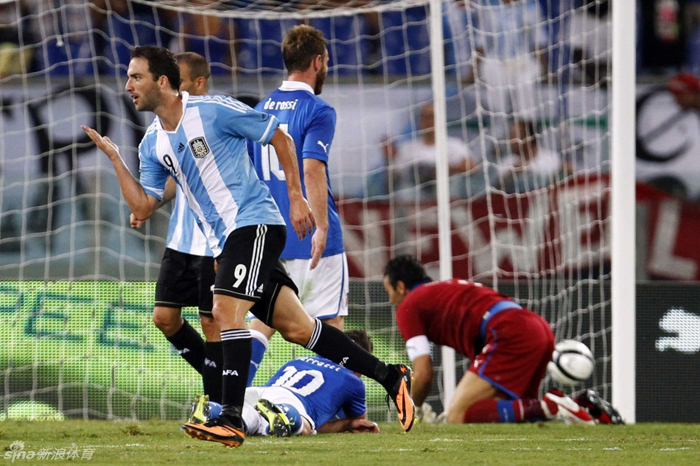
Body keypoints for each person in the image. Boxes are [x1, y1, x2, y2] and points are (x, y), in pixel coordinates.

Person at [82, 45, 414, 448]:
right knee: (299, 328)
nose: (128, 85)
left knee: (224, 311)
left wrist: (295, 196)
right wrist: (115, 159)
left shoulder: (212, 110)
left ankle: (230, 416)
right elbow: (143, 205)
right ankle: (391, 376)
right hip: (225, 240)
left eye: (136, 77)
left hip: (255, 223)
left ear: (163, 82)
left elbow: (278, 135)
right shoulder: (152, 143)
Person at [247, 24, 347, 386]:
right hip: (313, 236)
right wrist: (321, 226)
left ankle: (233, 399)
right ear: (318, 62)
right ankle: (340, 409)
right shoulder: (318, 110)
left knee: (263, 322)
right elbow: (311, 168)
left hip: (273, 237)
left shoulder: (261, 109)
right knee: (330, 324)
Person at [382, 254, 594, 425]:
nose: (391, 301)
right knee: (506, 410)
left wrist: (411, 410)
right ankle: (585, 407)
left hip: (509, 333)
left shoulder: (409, 305)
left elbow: (424, 374)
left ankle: (554, 407)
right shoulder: (444, 289)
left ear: (401, 287)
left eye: (389, 292)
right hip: (535, 327)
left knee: (457, 415)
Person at [129, 52, 222, 403]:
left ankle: (218, 401)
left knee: (212, 321)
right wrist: (150, 204)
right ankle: (225, 384)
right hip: (181, 239)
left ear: (199, 83)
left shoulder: (213, 118)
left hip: (213, 241)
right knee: (165, 317)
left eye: (180, 82)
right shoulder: (166, 129)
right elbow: (175, 177)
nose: (174, 89)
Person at [192, 329, 380, 437]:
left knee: (243, 422)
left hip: (259, 392)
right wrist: (348, 425)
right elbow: (359, 421)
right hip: (292, 402)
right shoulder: (354, 380)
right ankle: (288, 417)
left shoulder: (299, 360)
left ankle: (213, 412)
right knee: (304, 427)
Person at [386, 102, 476, 199]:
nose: (428, 121)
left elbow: (471, 167)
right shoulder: (407, 148)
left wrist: (441, 170)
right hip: (416, 199)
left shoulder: (454, 145)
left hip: (447, 197)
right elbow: (395, 176)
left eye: (432, 116)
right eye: (424, 117)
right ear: (419, 121)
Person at [495, 120, 562, 192]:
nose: (510, 141)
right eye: (510, 136)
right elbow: (497, 190)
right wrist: (511, 175)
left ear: (527, 138)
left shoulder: (551, 158)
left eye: (514, 136)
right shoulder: (507, 163)